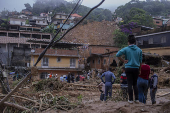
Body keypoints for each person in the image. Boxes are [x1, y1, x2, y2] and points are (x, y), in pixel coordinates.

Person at [116, 35, 142, 104]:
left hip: (128, 68)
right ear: (135, 42)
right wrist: (140, 70)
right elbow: (140, 61)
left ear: (128, 42)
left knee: (129, 84)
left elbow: (117, 55)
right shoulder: (139, 50)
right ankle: (136, 99)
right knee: (135, 84)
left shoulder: (126, 49)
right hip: (136, 68)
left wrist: (123, 60)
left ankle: (130, 100)